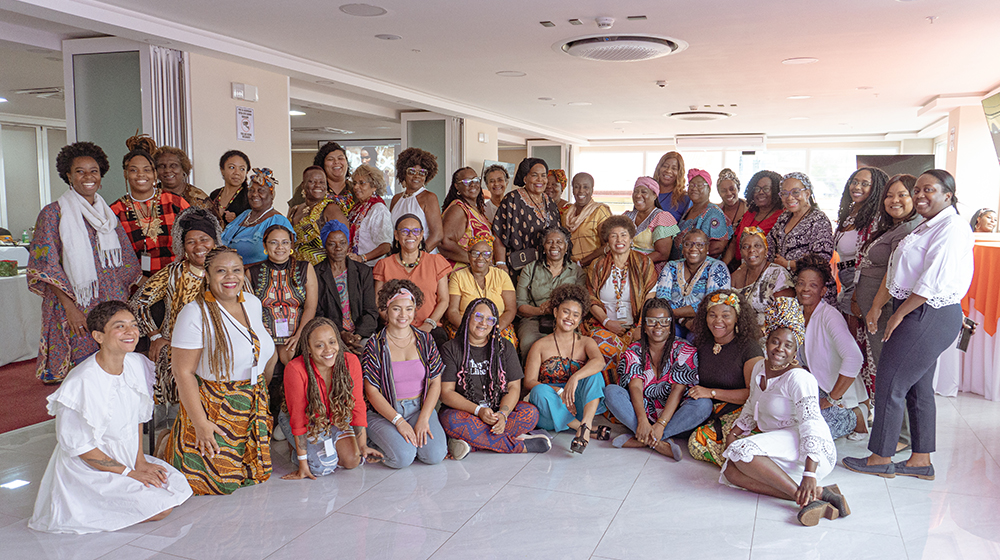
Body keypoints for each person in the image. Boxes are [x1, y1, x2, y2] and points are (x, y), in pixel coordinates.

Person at [844, 169, 974, 480]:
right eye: (918, 190)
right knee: (918, 388)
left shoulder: (952, 228)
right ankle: (920, 460)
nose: (920, 196)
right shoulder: (929, 226)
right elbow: (897, 269)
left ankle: (881, 456)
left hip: (930, 312)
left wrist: (899, 316)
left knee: (890, 380)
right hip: (917, 309)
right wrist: (878, 306)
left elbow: (931, 281)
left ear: (948, 195)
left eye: (928, 190)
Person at [28, 301, 192, 534]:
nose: (131, 332)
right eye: (120, 326)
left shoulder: (136, 364)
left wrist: (140, 461)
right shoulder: (80, 382)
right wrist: (130, 473)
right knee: (160, 509)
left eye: (133, 325)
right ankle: (86, 503)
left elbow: (137, 418)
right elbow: (83, 449)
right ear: (99, 336)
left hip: (126, 456)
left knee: (177, 487)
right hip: (89, 469)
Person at [720, 297, 844, 527]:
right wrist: (734, 432)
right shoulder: (759, 367)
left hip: (811, 451)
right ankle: (818, 496)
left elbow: (811, 425)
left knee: (742, 451)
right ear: (766, 342)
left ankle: (807, 499)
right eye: (775, 342)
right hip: (782, 445)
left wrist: (809, 473)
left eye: (788, 345)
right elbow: (751, 403)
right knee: (730, 472)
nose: (780, 349)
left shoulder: (799, 378)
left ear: (795, 351)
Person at [162, 247, 277, 495]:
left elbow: (262, 350)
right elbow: (183, 373)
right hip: (215, 404)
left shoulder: (252, 303)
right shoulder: (194, 313)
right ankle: (168, 441)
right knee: (217, 483)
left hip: (251, 399)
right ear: (207, 274)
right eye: (221, 271)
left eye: (236, 270)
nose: (230, 277)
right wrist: (201, 423)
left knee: (254, 475)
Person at [28, 142, 142, 383]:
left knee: (112, 369)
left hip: (110, 304)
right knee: (80, 376)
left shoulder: (107, 215)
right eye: (80, 171)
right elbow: (46, 266)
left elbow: (126, 262)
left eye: (94, 171)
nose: (88, 177)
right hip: (75, 306)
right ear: (68, 176)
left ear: (101, 176)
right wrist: (71, 309)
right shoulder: (53, 214)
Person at [129, 207, 222, 422]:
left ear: (214, 240)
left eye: (204, 239)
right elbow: (138, 302)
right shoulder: (172, 272)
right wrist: (155, 335)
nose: (198, 246)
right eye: (191, 241)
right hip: (176, 348)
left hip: (218, 346)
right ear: (183, 245)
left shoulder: (228, 269)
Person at [439, 298, 551, 459]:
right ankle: (517, 445)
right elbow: (446, 393)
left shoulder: (505, 347)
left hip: (497, 412)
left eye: (490, 319)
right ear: (468, 317)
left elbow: (513, 387)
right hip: (466, 413)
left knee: (530, 413)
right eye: (478, 316)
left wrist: (503, 415)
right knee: (450, 420)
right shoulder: (451, 348)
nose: (483, 323)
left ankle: (471, 443)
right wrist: (478, 411)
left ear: (494, 324)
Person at [280, 317, 382, 479]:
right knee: (321, 468)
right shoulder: (295, 369)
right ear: (308, 349)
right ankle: (295, 450)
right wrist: (303, 463)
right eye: (319, 345)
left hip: (335, 417)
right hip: (307, 420)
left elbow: (357, 405)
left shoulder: (350, 362)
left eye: (332, 342)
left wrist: (363, 446)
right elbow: (298, 418)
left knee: (353, 460)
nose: (328, 350)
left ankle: (330, 443)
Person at [604, 299, 703, 461]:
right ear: (643, 325)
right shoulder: (634, 350)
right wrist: (642, 420)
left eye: (664, 322)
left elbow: (678, 390)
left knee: (703, 404)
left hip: (674, 417)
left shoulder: (685, 349)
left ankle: (644, 439)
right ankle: (657, 442)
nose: (658, 327)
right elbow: (635, 387)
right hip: (640, 413)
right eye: (652, 322)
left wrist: (661, 424)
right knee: (611, 392)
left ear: (671, 325)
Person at [362, 280, 448, 468]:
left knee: (435, 455)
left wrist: (424, 418)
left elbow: (435, 382)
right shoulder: (375, 345)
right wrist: (398, 421)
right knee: (403, 458)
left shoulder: (426, 340)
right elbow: (372, 392)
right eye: (396, 309)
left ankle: (406, 442)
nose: (403, 315)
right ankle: (370, 441)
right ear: (386, 308)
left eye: (409, 309)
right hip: (385, 413)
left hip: (419, 408)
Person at [245, 224, 318, 428]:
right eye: (274, 243)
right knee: (270, 356)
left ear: (291, 245)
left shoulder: (305, 268)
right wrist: (262, 331)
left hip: (298, 330)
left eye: (285, 242)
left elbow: (311, 307)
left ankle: (298, 412)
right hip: (264, 331)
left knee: (290, 355)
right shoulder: (253, 272)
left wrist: (300, 334)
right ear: (265, 246)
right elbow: (249, 308)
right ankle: (261, 413)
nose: (280, 247)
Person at [856, 174, 920, 404]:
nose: (895, 200)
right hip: (877, 311)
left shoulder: (906, 230)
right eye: (890, 195)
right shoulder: (895, 227)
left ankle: (899, 434)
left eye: (903, 194)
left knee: (891, 371)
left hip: (885, 311)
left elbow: (894, 273)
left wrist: (875, 306)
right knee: (883, 368)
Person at [524, 284, 608, 453]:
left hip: (577, 405)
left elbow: (599, 361)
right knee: (539, 390)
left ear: (580, 319)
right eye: (566, 311)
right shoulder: (539, 345)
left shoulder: (586, 342)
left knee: (595, 374)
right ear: (555, 312)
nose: (570, 317)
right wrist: (557, 390)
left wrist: (574, 378)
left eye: (576, 315)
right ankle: (584, 430)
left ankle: (586, 422)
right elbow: (529, 381)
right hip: (549, 408)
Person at [685, 289, 764, 466]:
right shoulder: (702, 343)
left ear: (737, 318)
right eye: (712, 315)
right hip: (708, 411)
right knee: (694, 439)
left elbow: (752, 393)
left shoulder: (749, 348)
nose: (718, 321)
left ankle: (751, 471)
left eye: (726, 315)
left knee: (700, 443)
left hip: (742, 412)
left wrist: (711, 393)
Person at [795, 254, 868, 440]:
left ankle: (856, 416)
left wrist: (832, 399)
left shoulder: (830, 316)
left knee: (812, 434)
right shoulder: (796, 314)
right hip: (812, 388)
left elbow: (854, 358)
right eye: (801, 283)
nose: (805, 289)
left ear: (823, 291)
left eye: (813, 285)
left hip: (835, 392)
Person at [584, 216, 657, 384]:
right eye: (613, 235)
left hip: (636, 325)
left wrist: (640, 327)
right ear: (607, 240)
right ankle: (604, 396)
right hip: (604, 325)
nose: (619, 240)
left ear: (631, 238)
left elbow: (649, 299)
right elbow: (591, 299)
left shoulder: (644, 263)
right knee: (599, 345)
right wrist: (607, 322)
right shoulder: (598, 265)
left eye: (623, 235)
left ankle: (630, 394)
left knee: (640, 351)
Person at [110, 134, 189, 279]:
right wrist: (140, 282)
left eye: (147, 170)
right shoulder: (115, 211)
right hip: (137, 287)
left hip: (178, 281)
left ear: (154, 174)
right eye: (133, 170)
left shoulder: (175, 203)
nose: (141, 174)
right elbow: (114, 256)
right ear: (125, 174)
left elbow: (195, 240)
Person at [372, 214, 452, 349]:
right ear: (396, 235)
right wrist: (398, 325)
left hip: (430, 329)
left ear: (421, 235)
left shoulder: (436, 261)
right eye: (404, 231)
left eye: (415, 231)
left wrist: (429, 324)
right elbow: (379, 303)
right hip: (394, 329)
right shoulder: (384, 265)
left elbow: (444, 300)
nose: (411, 235)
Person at [516, 226, 586, 360]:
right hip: (533, 319)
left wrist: (560, 312)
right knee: (529, 342)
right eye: (549, 242)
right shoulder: (530, 269)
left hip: (567, 319)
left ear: (566, 247)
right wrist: (541, 311)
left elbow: (581, 304)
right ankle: (532, 379)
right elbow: (520, 305)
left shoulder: (577, 272)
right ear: (543, 246)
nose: (554, 246)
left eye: (559, 242)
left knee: (569, 345)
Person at [766, 172, 836, 303]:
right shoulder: (783, 218)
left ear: (807, 194)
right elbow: (769, 245)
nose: (790, 197)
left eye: (795, 192)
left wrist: (789, 264)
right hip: (787, 288)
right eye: (785, 193)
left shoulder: (818, 219)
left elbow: (822, 258)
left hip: (813, 291)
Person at [316, 221, 379, 355]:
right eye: (332, 244)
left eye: (343, 243)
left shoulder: (363, 272)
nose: (338, 248)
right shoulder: (316, 274)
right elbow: (318, 314)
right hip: (330, 334)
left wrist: (357, 336)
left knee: (367, 350)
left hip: (360, 334)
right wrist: (340, 334)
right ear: (325, 246)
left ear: (348, 244)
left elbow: (370, 311)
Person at [655, 229, 732, 339]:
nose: (693, 248)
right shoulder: (671, 267)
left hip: (702, 323)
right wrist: (683, 320)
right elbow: (662, 300)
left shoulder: (717, 267)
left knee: (698, 336)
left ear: (707, 248)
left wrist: (673, 312)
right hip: (673, 321)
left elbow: (713, 303)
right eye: (688, 244)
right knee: (665, 333)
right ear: (682, 248)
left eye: (700, 245)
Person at [834, 167, 889, 316]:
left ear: (876, 188)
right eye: (854, 182)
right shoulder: (849, 213)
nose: (857, 187)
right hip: (845, 278)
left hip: (860, 281)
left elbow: (869, 260)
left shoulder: (876, 218)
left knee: (856, 332)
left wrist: (856, 296)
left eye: (865, 184)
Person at [446, 233, 518, 346]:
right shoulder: (458, 276)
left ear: (491, 257)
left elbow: (511, 309)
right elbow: (452, 311)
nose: (480, 258)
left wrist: (493, 329)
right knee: (462, 345)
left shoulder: (502, 275)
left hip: (497, 327)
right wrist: (469, 330)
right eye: (475, 253)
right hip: (465, 327)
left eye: (486, 254)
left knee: (506, 344)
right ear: (469, 255)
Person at [492, 157, 560, 274]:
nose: (540, 180)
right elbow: (498, 233)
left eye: (543, 176)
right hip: (520, 268)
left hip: (548, 269)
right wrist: (500, 263)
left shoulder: (550, 202)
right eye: (535, 175)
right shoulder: (512, 200)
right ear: (525, 178)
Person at [221, 168, 294, 265]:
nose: (255, 194)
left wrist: (246, 271)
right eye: (251, 190)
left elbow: (283, 259)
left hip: (260, 277)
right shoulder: (244, 215)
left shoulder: (278, 221)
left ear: (271, 195)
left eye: (261, 191)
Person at [730, 226, 795, 330]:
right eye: (746, 247)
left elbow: (786, 317)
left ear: (766, 251)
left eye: (757, 246)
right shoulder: (736, 276)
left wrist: (760, 334)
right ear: (741, 252)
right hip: (740, 335)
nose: (751, 250)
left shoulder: (778, 274)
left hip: (770, 336)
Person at [722, 170, 784, 272]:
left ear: (775, 191)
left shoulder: (781, 217)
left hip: (764, 271)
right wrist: (722, 266)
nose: (760, 192)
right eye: (757, 189)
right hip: (739, 268)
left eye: (766, 189)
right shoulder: (750, 213)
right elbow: (734, 242)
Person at [288, 166, 349, 265]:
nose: (317, 185)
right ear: (303, 185)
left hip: (322, 273)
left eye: (322, 182)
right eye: (312, 181)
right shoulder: (295, 209)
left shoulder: (330, 208)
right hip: (296, 270)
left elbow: (343, 244)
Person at [389, 147, 444, 252]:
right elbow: (391, 232)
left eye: (422, 172)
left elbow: (437, 235)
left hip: (422, 259)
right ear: (403, 173)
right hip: (398, 259)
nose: (417, 176)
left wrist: (417, 256)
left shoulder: (429, 197)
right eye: (411, 171)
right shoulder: (396, 199)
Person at [623, 176, 679, 275]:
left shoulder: (661, 218)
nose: (638, 195)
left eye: (644, 192)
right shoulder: (627, 217)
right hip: (625, 267)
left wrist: (635, 264)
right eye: (636, 191)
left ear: (654, 195)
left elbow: (662, 254)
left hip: (649, 271)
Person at [671, 168, 731, 260]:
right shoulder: (689, 210)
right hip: (682, 266)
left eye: (700, 185)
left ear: (709, 189)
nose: (694, 188)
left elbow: (718, 247)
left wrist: (693, 257)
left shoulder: (713, 212)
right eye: (691, 185)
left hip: (702, 268)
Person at [439, 167, 492, 267]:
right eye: (467, 181)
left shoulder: (475, 209)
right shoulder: (458, 209)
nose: (473, 184)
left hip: (477, 271)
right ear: (457, 186)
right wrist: (474, 260)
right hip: (461, 272)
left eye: (476, 180)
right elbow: (444, 242)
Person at [347, 164, 392, 267]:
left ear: (374, 186)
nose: (356, 187)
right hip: (354, 266)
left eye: (361, 183)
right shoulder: (357, 208)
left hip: (370, 269)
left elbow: (385, 246)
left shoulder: (378, 209)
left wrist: (362, 258)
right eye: (354, 183)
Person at [562, 172, 611, 267]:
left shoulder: (600, 211)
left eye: (585, 187)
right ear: (572, 190)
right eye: (577, 187)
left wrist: (581, 263)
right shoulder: (566, 214)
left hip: (593, 268)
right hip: (569, 269)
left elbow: (608, 245)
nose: (581, 191)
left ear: (592, 190)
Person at [154, 146, 211, 210]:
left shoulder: (199, 199)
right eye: (162, 166)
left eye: (174, 166)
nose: (167, 170)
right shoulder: (151, 194)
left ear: (184, 169)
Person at [210, 150, 251, 226]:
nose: (237, 173)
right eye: (232, 167)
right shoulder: (214, 194)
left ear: (246, 173)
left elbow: (257, 225)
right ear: (222, 170)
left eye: (242, 169)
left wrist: (237, 220)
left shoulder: (250, 196)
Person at [315, 141, 355, 214]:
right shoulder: (311, 188)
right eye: (330, 159)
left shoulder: (356, 189)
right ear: (322, 164)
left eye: (340, 158)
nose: (336, 162)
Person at [653, 151, 691, 222]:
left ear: (679, 173)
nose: (668, 171)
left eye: (674, 168)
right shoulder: (646, 194)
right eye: (665, 166)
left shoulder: (685, 199)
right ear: (659, 168)